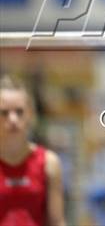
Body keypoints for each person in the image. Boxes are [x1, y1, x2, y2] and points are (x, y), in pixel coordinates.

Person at [0, 75, 66, 226]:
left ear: (30, 114)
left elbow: (57, 221)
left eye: (19, 112)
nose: (13, 119)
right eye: (4, 113)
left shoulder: (49, 163)